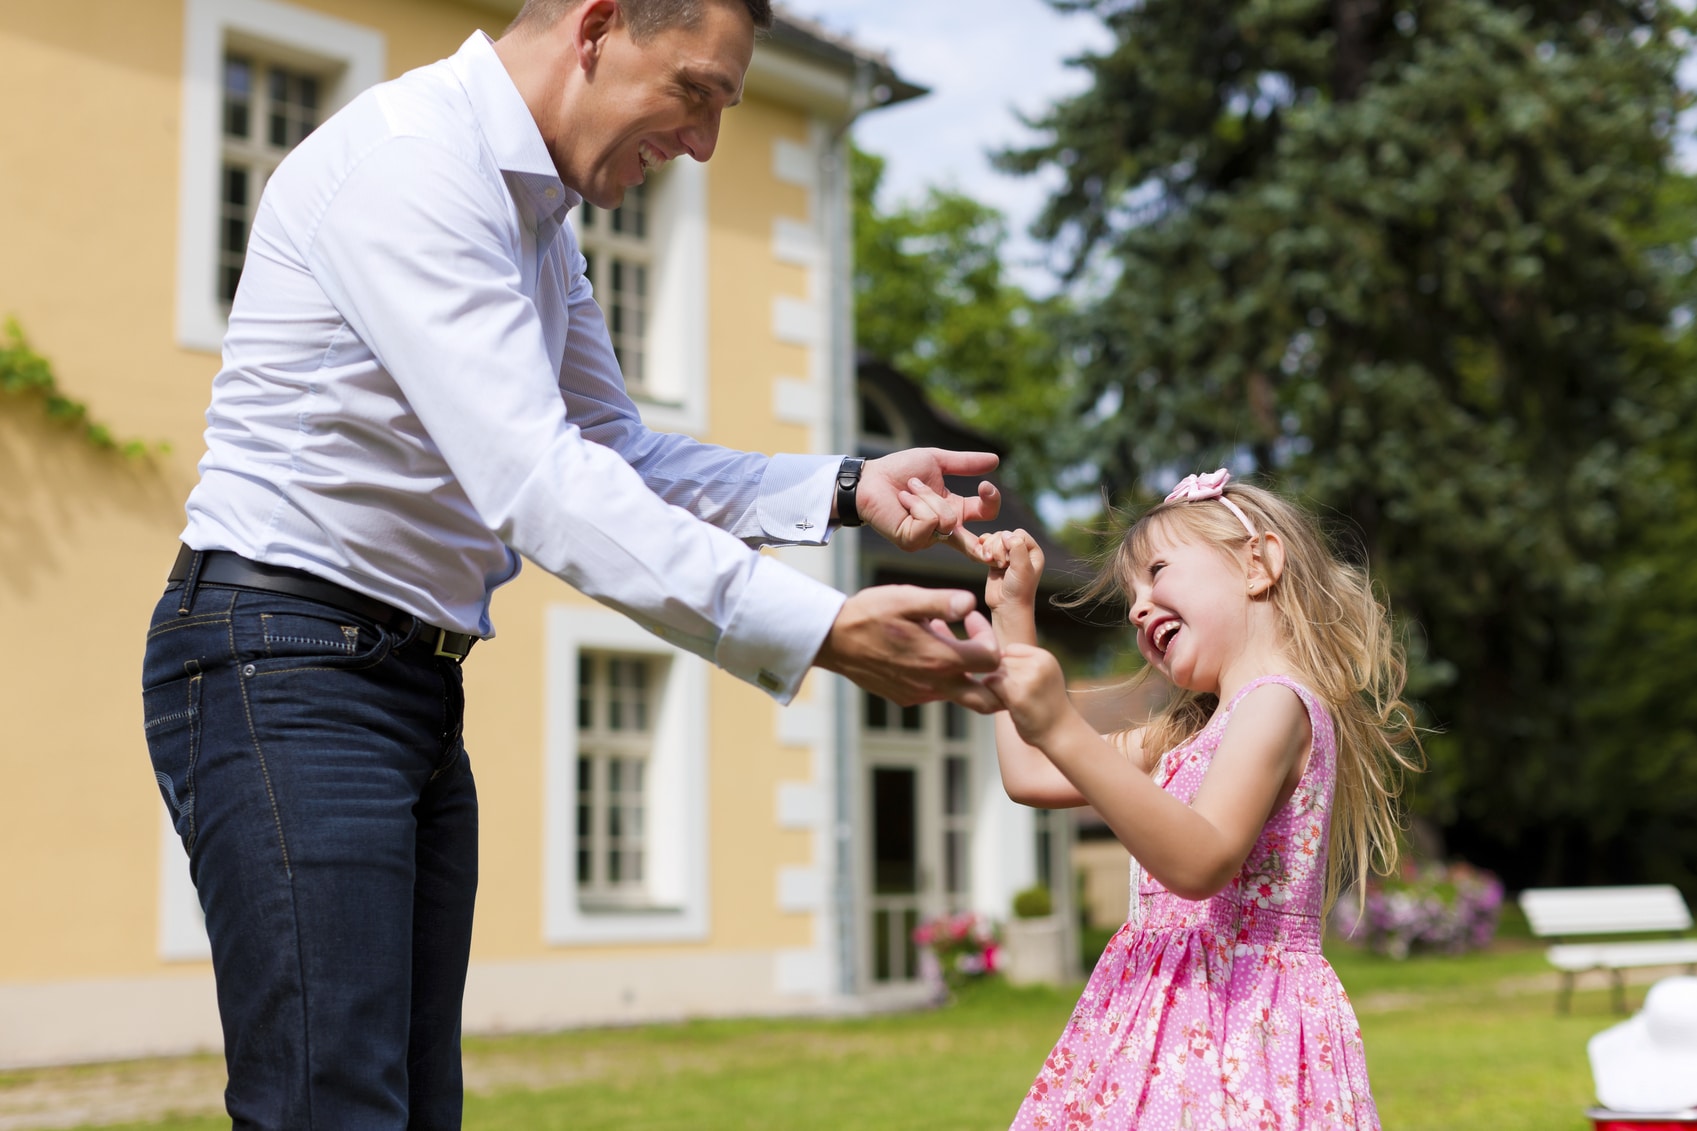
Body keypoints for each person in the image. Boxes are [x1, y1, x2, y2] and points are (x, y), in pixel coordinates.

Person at [140, 1, 1004, 1127]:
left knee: (407, 1107)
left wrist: (843, 488)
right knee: (331, 1104)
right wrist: (824, 630)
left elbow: (616, 453)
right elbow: (539, 483)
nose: (701, 144)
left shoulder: (540, 218)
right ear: (596, 26)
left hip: (401, 681)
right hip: (285, 666)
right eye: (696, 92)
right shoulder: (416, 165)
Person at [978, 469, 1421, 1131]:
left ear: (1258, 563)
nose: (1136, 607)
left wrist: (1065, 726)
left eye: (1156, 571)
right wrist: (1011, 613)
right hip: (1157, 1022)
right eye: (1131, 596)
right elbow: (1031, 772)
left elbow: (1199, 860)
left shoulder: (1277, 703)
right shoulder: (1183, 735)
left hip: (1242, 1032)